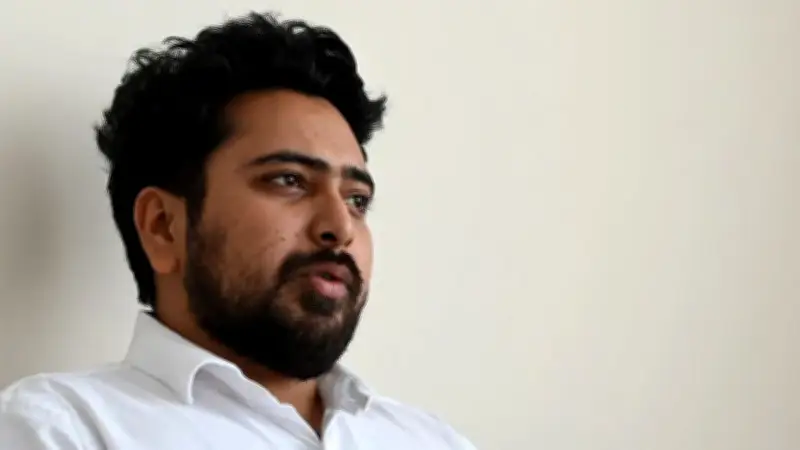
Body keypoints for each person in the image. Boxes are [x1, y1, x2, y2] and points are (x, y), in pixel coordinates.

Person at [0, 11, 477, 449]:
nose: (340, 227)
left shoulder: (433, 441)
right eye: (289, 180)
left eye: (357, 200)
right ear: (163, 227)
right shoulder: (58, 430)